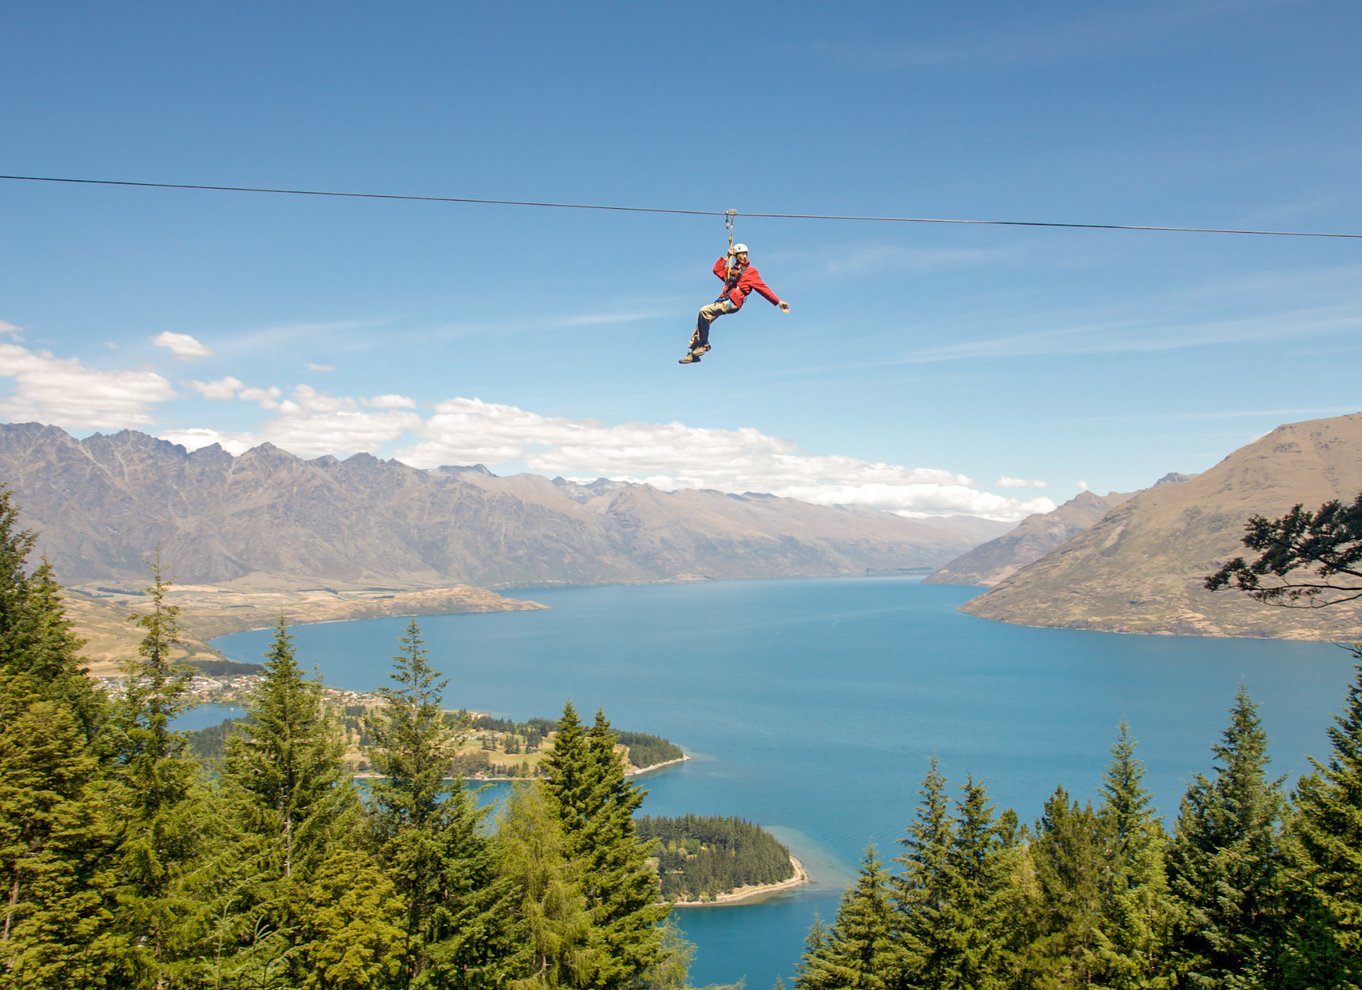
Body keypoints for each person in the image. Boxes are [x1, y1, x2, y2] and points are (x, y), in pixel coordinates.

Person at [680, 243, 791, 364]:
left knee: (704, 311)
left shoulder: (751, 272)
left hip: (732, 302)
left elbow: (763, 288)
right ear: (736, 256)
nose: (745, 256)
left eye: (746, 254)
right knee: (704, 320)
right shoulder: (730, 271)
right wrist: (727, 257)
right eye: (742, 254)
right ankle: (695, 352)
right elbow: (716, 270)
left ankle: (704, 345)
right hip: (723, 300)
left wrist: (778, 301)